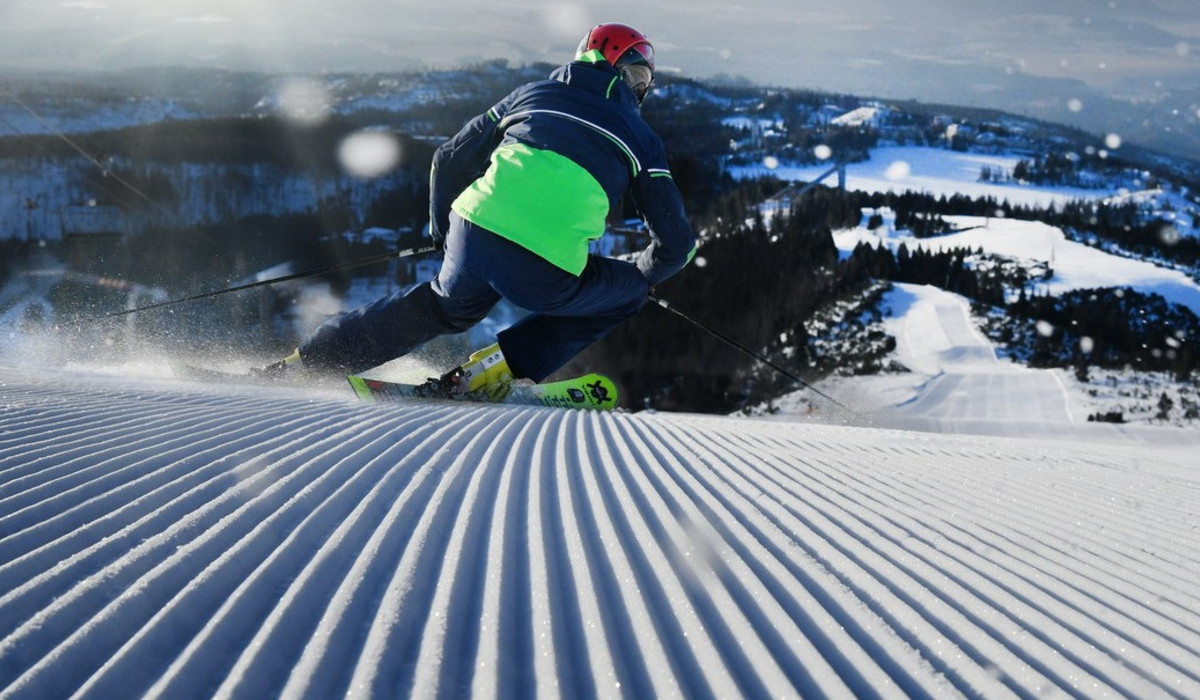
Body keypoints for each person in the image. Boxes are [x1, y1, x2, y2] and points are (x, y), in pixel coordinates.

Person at [267, 22, 696, 399]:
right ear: (616, 67)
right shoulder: (642, 139)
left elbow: (450, 157)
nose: (640, 88)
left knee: (441, 306)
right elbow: (676, 244)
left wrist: (443, 233)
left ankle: (311, 361)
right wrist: (642, 276)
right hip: (546, 272)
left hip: (471, 232)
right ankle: (496, 370)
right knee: (629, 291)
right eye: (637, 75)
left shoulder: (530, 94)